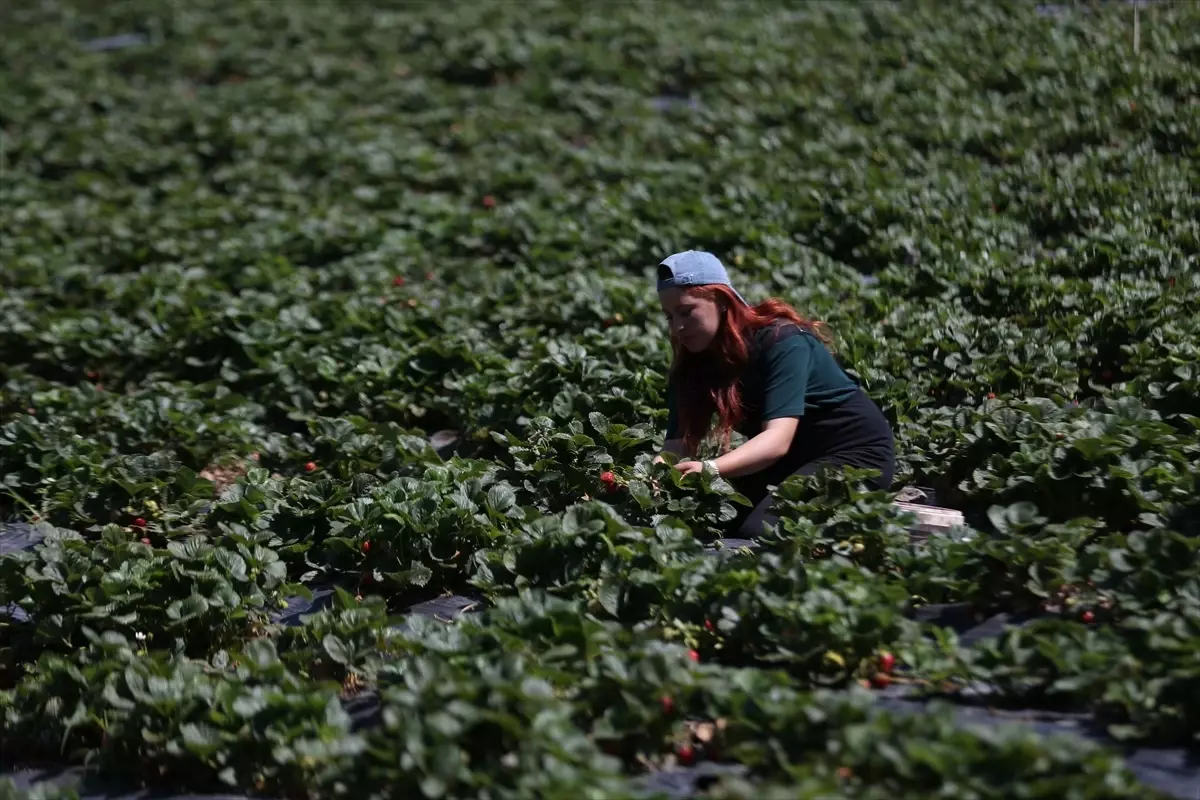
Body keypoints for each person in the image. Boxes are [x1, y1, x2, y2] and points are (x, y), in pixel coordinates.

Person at [652, 250, 896, 538]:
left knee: (761, 534)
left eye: (686, 312)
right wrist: (652, 477)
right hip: (790, 460)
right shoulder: (693, 363)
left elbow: (777, 440)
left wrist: (710, 468)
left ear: (721, 300)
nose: (677, 327)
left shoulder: (782, 341)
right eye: (669, 317)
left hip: (852, 454)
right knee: (715, 522)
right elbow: (677, 446)